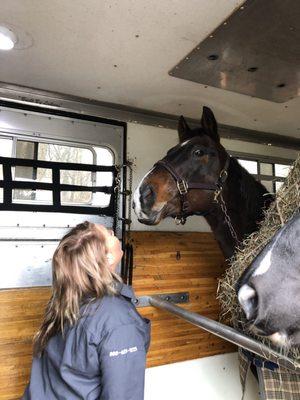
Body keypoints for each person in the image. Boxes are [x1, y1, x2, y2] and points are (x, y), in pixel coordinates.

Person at [22, 222, 151, 400]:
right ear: (107, 259)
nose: (114, 234)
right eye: (109, 233)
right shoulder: (118, 321)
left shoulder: (62, 299)